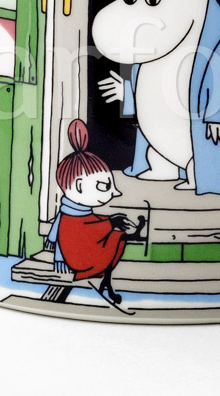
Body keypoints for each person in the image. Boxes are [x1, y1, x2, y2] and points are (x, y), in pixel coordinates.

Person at [47, 121, 146, 308]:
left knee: (117, 236)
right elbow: (77, 231)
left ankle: (107, 281)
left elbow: (89, 224)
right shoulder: (70, 217)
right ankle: (107, 280)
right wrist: (109, 222)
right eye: (104, 186)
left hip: (83, 249)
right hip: (80, 258)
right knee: (116, 236)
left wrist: (109, 221)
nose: (115, 192)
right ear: (79, 186)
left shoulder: (76, 212)